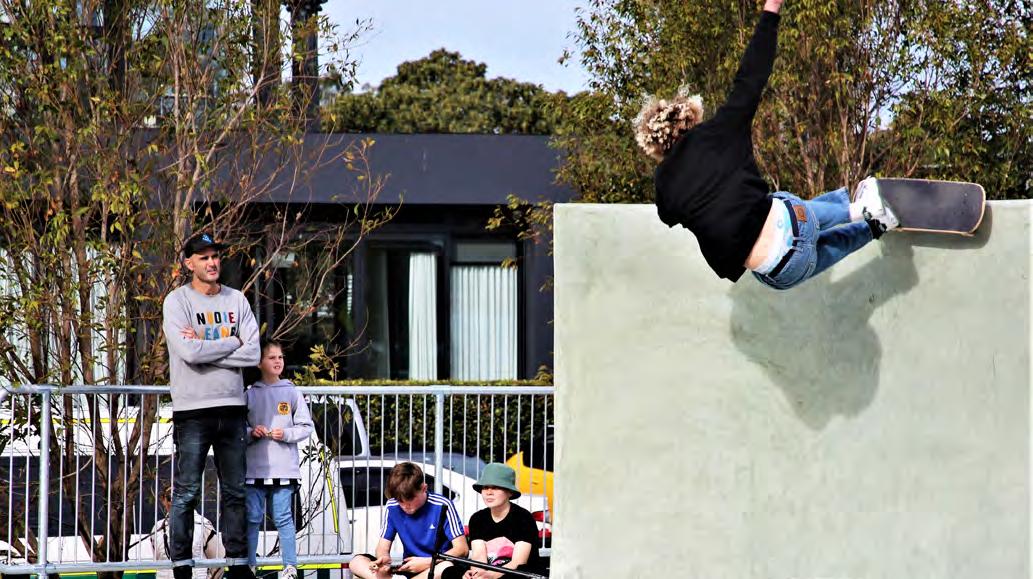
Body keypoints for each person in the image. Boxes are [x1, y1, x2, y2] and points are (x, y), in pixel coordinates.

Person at [633, 0, 899, 290]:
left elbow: (667, 216)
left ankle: (877, 226)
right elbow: (751, 76)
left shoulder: (664, 186)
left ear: (656, 147)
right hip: (795, 222)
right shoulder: (718, 131)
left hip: (781, 272)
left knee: (814, 253)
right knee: (780, 202)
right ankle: (858, 209)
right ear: (689, 118)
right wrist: (771, 10)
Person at [162, 232, 261, 579]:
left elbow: (253, 353)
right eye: (203, 257)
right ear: (189, 263)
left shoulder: (237, 300)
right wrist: (231, 340)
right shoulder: (177, 302)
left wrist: (208, 348)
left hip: (233, 407)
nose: (212, 262)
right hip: (192, 410)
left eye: (215, 256)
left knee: (235, 491)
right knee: (186, 492)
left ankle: (238, 566)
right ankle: (182, 567)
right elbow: (188, 353)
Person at [245, 342, 314, 579]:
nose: (277, 361)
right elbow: (238, 430)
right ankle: (249, 566)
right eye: (271, 357)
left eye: (280, 357)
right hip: (254, 470)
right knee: (252, 518)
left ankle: (290, 567)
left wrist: (285, 434)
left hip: (284, 469)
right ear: (259, 363)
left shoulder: (292, 392)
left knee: (284, 517)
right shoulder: (249, 394)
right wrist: (251, 432)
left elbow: (306, 426)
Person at [347, 462, 469, 579]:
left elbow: (462, 549)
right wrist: (383, 560)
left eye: (410, 499)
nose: (405, 506)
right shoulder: (392, 506)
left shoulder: (442, 505)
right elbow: (382, 547)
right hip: (408, 569)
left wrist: (428, 562)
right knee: (356, 562)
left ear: (424, 488)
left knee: (445, 567)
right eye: (400, 501)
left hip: (436, 566)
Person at [440, 464, 543, 579]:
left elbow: (518, 562)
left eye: (495, 487)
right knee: (449, 571)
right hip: (488, 573)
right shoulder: (478, 518)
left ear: (510, 492)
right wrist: (476, 575)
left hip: (516, 573)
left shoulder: (523, 518)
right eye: (485, 487)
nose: (489, 492)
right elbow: (478, 557)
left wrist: (490, 576)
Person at [151, 485, 226, 579]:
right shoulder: (157, 528)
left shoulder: (203, 525)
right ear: (163, 500)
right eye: (170, 497)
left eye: (180, 496)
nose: (175, 501)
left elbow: (218, 563)